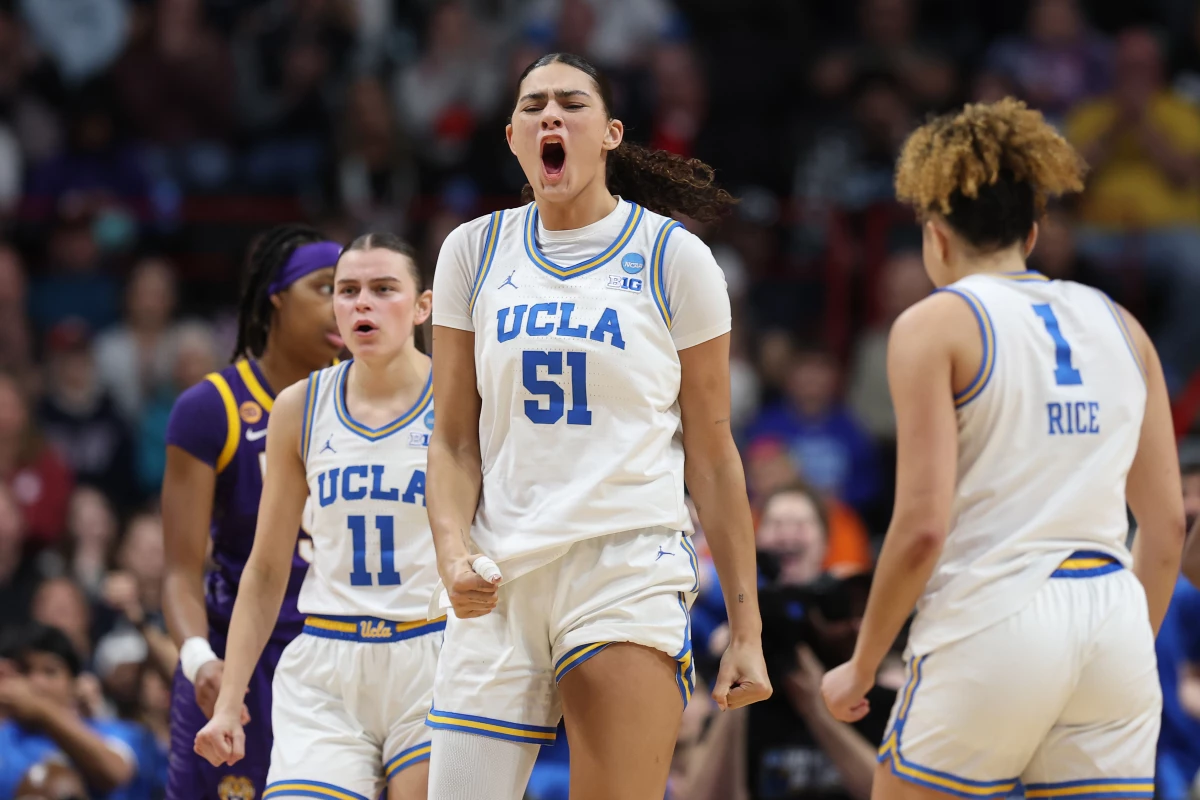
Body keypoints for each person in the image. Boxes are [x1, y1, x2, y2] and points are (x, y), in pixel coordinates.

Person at [427, 51, 771, 800]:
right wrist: (452, 554)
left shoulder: (673, 259)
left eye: (572, 104)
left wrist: (746, 630)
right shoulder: (471, 252)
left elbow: (714, 456)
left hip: (624, 561)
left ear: (611, 133)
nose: (551, 115)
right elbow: (452, 440)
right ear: (514, 137)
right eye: (533, 105)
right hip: (500, 570)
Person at [821, 97, 1184, 798]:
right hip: (1112, 615)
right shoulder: (1123, 325)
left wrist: (863, 666)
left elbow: (923, 527)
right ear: (1035, 229)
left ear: (935, 235)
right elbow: (1166, 527)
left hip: (995, 614)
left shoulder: (936, 325)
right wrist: (1121, 643)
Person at [194, 233, 440, 800]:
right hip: (327, 663)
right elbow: (264, 569)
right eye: (347, 290)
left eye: (384, 289)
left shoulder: (460, 396)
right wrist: (230, 704)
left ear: (422, 306)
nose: (363, 304)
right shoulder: (299, 407)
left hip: (435, 655)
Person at [160, 225, 344, 800]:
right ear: (276, 297)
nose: (344, 304)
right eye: (325, 287)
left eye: (356, 290)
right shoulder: (210, 409)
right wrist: (199, 661)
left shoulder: (385, 405)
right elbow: (178, 571)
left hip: (347, 659)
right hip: (243, 663)